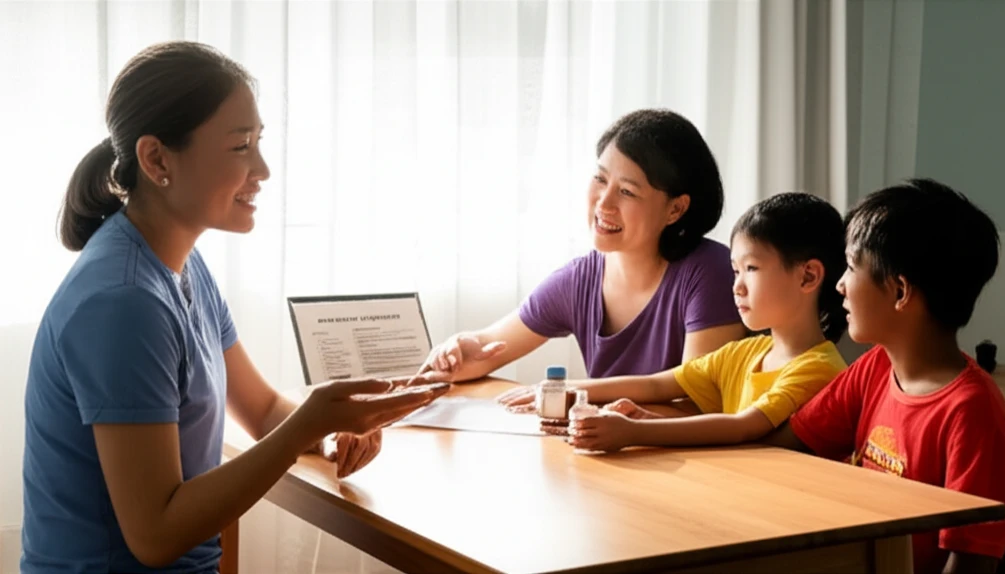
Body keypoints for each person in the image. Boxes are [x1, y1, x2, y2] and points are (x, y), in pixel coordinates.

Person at [21, 41, 447, 573]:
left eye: (259, 142)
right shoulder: (124, 303)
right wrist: (304, 428)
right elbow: (154, 536)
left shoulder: (180, 263)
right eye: (241, 146)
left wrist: (331, 431)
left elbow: (265, 411)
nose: (263, 169)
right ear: (156, 160)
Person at [764, 180, 1005, 574]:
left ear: (900, 291)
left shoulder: (972, 412)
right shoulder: (876, 368)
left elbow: (971, 563)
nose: (840, 285)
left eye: (851, 267)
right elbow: (788, 447)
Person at [418, 109, 746, 393]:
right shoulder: (579, 280)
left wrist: (573, 394)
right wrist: (461, 351)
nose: (604, 203)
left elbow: (695, 400)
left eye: (628, 192)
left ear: (675, 209)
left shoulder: (712, 272)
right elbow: (488, 345)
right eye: (600, 179)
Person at [499, 193, 848, 450]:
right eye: (735, 271)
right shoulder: (748, 352)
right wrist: (567, 390)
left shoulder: (819, 368)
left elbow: (742, 428)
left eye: (752, 269)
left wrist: (635, 433)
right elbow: (655, 385)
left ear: (808, 277)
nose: (737, 286)